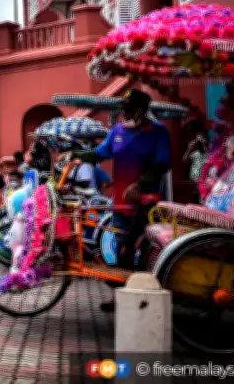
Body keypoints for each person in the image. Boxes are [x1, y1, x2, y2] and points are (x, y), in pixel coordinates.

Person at [72, 89, 171, 311]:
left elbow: (162, 164)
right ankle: (122, 297)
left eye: (129, 109)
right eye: (123, 108)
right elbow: (100, 153)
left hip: (146, 203)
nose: (124, 113)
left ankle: (145, 297)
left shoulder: (158, 132)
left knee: (139, 251)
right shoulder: (117, 131)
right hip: (120, 202)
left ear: (142, 110)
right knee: (120, 249)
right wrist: (76, 155)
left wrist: (140, 185)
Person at [183, 119, 208, 203]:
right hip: (193, 179)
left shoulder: (208, 146)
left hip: (204, 178)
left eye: (201, 134)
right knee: (193, 199)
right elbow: (185, 161)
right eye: (198, 134)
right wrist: (189, 149)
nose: (199, 137)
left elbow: (209, 158)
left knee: (202, 200)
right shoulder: (192, 147)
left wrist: (205, 145)